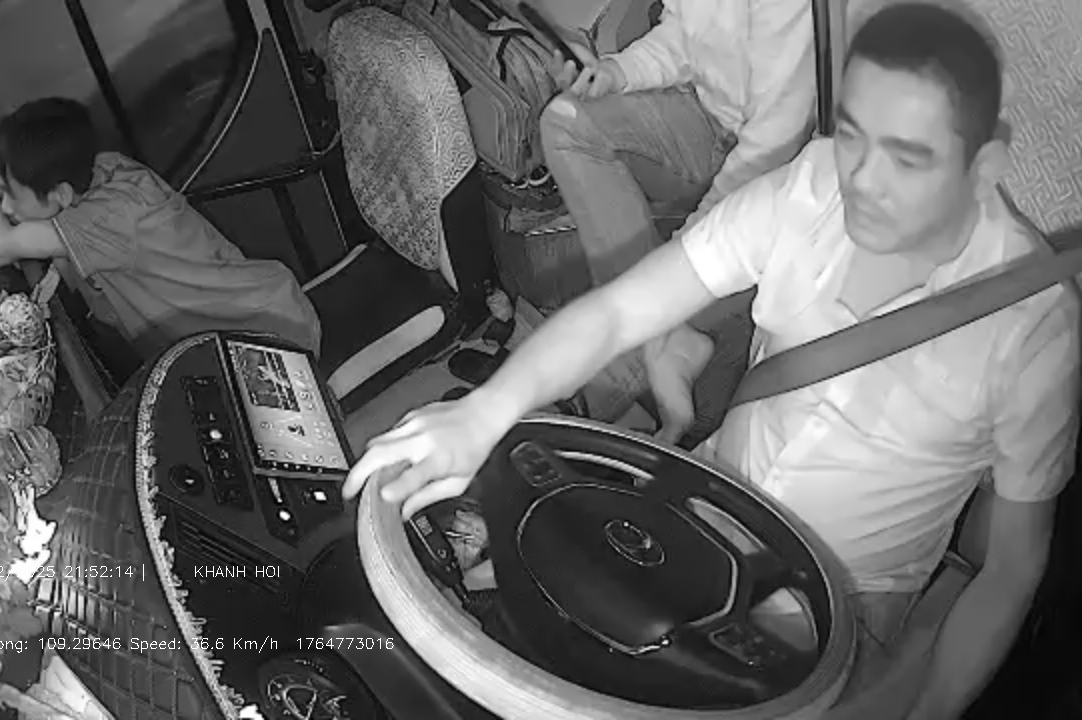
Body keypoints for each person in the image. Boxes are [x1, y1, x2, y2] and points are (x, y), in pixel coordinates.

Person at [344, 3, 1079, 717]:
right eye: (855, 135)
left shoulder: (1036, 327)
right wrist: (482, 414)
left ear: (985, 165)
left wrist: (929, 706)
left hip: (842, 611)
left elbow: (1012, 567)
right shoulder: (811, 187)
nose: (864, 182)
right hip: (704, 503)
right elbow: (620, 312)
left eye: (909, 158)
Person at [540, 0, 816, 436]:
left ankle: (625, 356)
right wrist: (614, 73)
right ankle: (651, 338)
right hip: (704, 112)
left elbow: (774, 146)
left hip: (773, 160)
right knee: (564, 121)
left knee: (671, 286)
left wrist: (681, 259)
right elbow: (682, 38)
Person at [0, 98, 322, 361]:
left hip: (269, 338)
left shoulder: (101, 221)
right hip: (260, 310)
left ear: (60, 194)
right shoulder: (105, 168)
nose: (6, 208)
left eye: (11, 194)